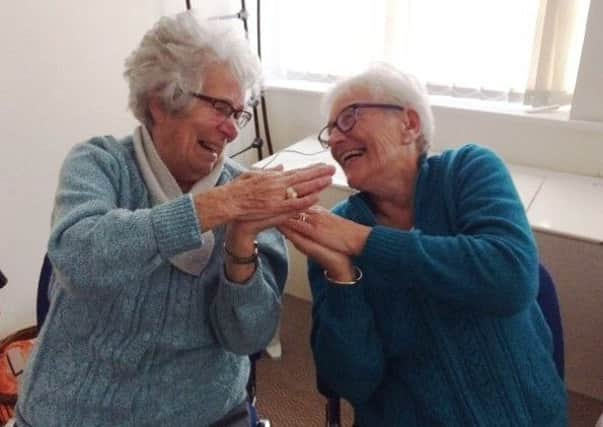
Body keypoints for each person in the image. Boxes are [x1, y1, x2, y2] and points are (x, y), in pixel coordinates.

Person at [15, 11, 334, 427]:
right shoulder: (99, 162)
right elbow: (80, 260)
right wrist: (215, 207)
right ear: (161, 101)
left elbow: (248, 337)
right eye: (221, 107)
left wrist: (240, 244)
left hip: (207, 414)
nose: (232, 132)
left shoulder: (248, 197)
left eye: (238, 113)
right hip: (77, 410)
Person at [280, 63, 567, 426]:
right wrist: (341, 276)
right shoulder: (334, 232)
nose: (335, 140)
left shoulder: (468, 170)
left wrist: (362, 241)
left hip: (523, 413)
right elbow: (353, 382)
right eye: (331, 131)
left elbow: (511, 279)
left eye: (349, 118)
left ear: (410, 124)